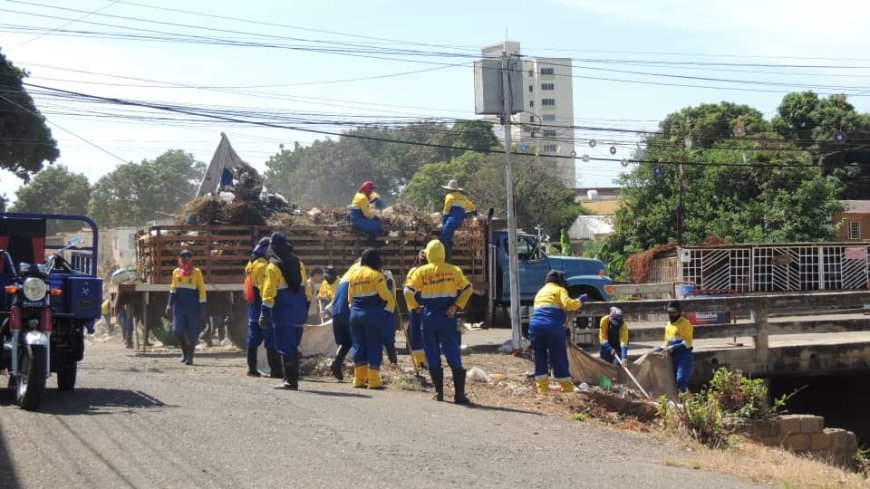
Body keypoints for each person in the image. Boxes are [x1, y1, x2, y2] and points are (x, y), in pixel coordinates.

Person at [404, 240, 473, 404]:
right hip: (448, 318)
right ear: (443, 253)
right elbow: (468, 288)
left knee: (432, 354)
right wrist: (456, 306)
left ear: (428, 254)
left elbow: (407, 291)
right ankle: (460, 395)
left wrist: (415, 307)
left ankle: (439, 393)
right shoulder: (454, 270)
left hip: (428, 317)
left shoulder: (421, 272)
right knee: (452, 352)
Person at [260, 232, 311, 390]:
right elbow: (307, 291)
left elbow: (269, 293)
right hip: (299, 312)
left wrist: (263, 313)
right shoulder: (298, 263)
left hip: (283, 314)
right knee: (293, 345)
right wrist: (304, 309)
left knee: (285, 346)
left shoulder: (273, 267)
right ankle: (290, 378)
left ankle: (290, 381)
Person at [528, 270, 583, 394]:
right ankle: (567, 388)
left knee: (540, 357)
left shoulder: (541, 291)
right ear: (559, 281)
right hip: (552, 327)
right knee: (558, 357)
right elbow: (569, 304)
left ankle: (542, 388)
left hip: (535, 327)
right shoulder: (559, 290)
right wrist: (580, 301)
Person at [347, 249, 394, 389]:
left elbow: (350, 299)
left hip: (355, 315)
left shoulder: (353, 276)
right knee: (374, 345)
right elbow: (386, 296)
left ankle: (359, 380)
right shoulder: (376, 275)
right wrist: (389, 287)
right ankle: (373, 381)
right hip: (372, 315)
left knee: (358, 346)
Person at [244, 237, 282, 378]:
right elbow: (265, 288)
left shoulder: (251, 263)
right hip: (263, 307)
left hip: (253, 308)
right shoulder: (262, 266)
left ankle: (252, 369)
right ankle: (276, 370)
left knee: (253, 338)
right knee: (270, 338)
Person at [165, 249, 207, 366]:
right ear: (179, 259)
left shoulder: (197, 272)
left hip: (193, 307)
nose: (185, 259)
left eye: (188, 257)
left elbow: (202, 289)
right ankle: (184, 352)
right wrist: (169, 304)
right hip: (179, 307)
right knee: (177, 330)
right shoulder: (176, 272)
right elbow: (173, 289)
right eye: (183, 257)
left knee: (192, 333)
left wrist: (203, 306)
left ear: (191, 259)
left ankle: (190, 357)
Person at [326, 262, 361, 381]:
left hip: (337, 309)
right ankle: (362, 375)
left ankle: (336, 363)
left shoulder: (349, 273)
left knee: (346, 342)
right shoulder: (364, 271)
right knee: (359, 341)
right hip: (348, 309)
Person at [654, 301, 694, 393]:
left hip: (684, 356)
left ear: (680, 312)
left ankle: (685, 402)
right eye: (671, 312)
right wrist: (657, 350)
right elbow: (666, 343)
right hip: (672, 358)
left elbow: (688, 343)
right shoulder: (668, 325)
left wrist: (675, 346)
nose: (673, 314)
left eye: (675, 312)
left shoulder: (685, 324)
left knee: (681, 380)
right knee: (672, 383)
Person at [439, 179, 476, 260]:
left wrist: (443, 223)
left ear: (449, 189)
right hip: (460, 221)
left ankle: (448, 259)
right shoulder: (463, 198)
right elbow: (472, 207)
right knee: (449, 236)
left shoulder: (449, 196)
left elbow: (446, 211)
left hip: (451, 221)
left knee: (443, 237)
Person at [404, 250, 428, 372]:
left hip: (416, 307)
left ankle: (420, 362)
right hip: (423, 305)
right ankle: (423, 362)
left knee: (417, 334)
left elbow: (407, 290)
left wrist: (414, 306)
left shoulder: (413, 271)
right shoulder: (429, 271)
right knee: (423, 334)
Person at [382, 270, 398, 366]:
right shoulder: (387, 274)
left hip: (385, 308)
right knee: (388, 336)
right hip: (388, 308)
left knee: (386, 336)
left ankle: (392, 359)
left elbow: (389, 289)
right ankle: (392, 359)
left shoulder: (386, 275)